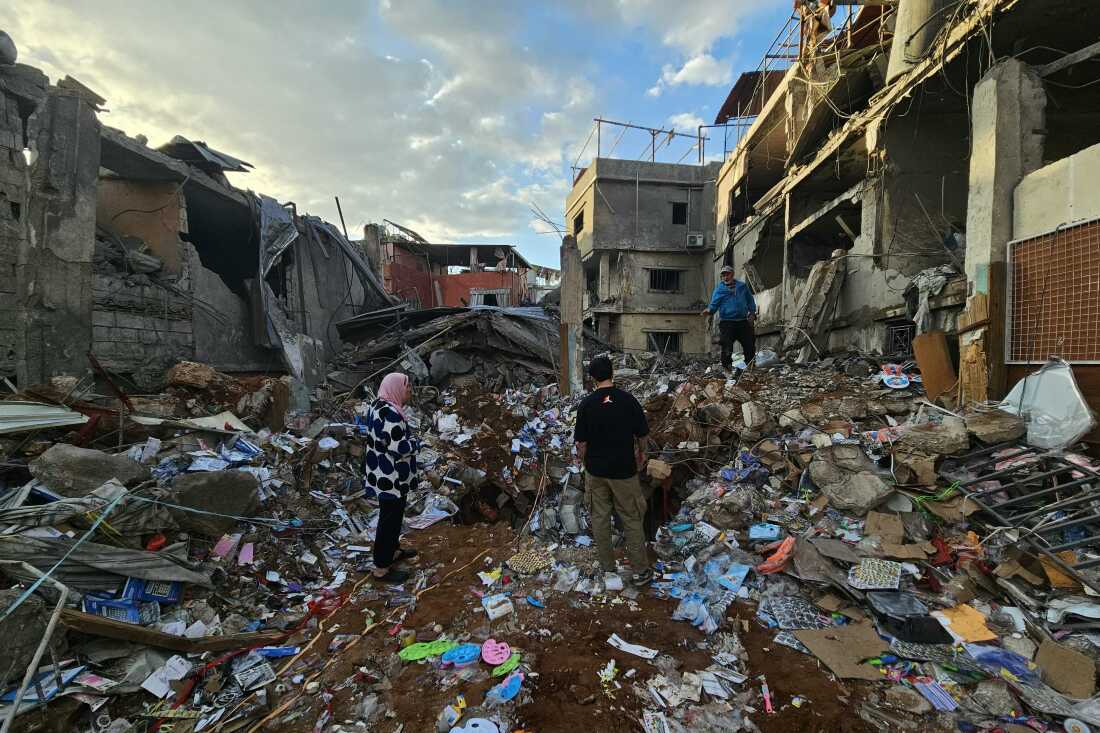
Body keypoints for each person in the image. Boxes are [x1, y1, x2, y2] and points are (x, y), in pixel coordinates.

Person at [573, 356, 653, 586]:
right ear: (612, 373)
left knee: (599, 519)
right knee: (631, 517)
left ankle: (608, 569)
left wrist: (584, 461)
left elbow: (581, 444)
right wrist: (642, 453)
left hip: (596, 472)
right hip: (623, 471)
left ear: (592, 378)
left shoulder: (587, 405)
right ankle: (640, 571)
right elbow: (642, 435)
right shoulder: (628, 401)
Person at [364, 372, 420, 582]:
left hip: (380, 473)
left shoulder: (376, 406)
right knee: (389, 519)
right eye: (407, 387)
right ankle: (381, 566)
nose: (409, 391)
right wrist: (417, 443)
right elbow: (399, 447)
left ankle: (392, 551)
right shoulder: (391, 414)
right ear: (396, 388)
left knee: (392, 516)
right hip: (392, 477)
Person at [702, 265, 757, 377]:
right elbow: (714, 304)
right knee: (727, 347)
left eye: (727, 274)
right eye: (723, 275)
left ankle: (750, 366)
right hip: (727, 322)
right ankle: (727, 369)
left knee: (749, 344)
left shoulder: (742, 287)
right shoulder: (719, 289)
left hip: (742, 321)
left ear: (732, 274)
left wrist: (752, 313)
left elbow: (750, 300)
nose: (725, 277)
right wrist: (709, 311)